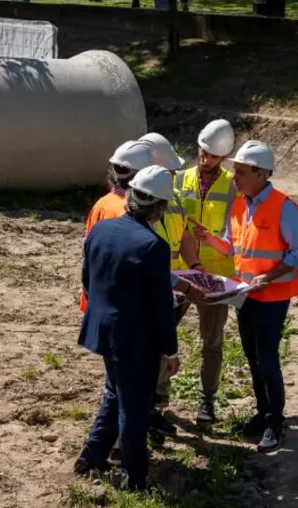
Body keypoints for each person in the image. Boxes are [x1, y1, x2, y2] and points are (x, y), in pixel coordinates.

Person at [191, 141, 298, 453]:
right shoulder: (240, 205)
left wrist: (267, 278)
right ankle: (261, 413)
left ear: (261, 174)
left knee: (268, 358)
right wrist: (210, 239)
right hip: (245, 295)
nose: (234, 178)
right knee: (252, 356)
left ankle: (275, 422)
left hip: (272, 296)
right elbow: (233, 246)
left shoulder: (284, 207)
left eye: (240, 172)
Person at [75, 166, 181, 490]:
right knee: (134, 408)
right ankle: (133, 479)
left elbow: (87, 281)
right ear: (160, 208)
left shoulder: (100, 231)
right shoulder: (154, 247)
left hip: (102, 330)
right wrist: (171, 350)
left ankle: (91, 456)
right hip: (136, 341)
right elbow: (162, 308)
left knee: (114, 392)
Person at [173, 119, 238, 425]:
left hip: (215, 277)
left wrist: (212, 240)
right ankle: (158, 399)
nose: (205, 158)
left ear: (223, 157)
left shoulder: (233, 186)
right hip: (180, 272)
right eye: (203, 151)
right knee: (163, 334)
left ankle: (206, 402)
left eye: (213, 155)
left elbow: (237, 235)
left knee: (211, 343)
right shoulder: (180, 180)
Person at [140, 132, 204, 435]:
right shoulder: (136, 207)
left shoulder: (175, 199)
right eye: (171, 173)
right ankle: (146, 410)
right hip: (153, 291)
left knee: (164, 349)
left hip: (176, 290)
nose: (175, 177)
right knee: (151, 352)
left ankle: (157, 405)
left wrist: (195, 267)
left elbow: (186, 237)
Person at [80, 139, 155, 313]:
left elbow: (87, 250)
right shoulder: (133, 211)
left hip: (97, 293)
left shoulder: (102, 203)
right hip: (121, 301)